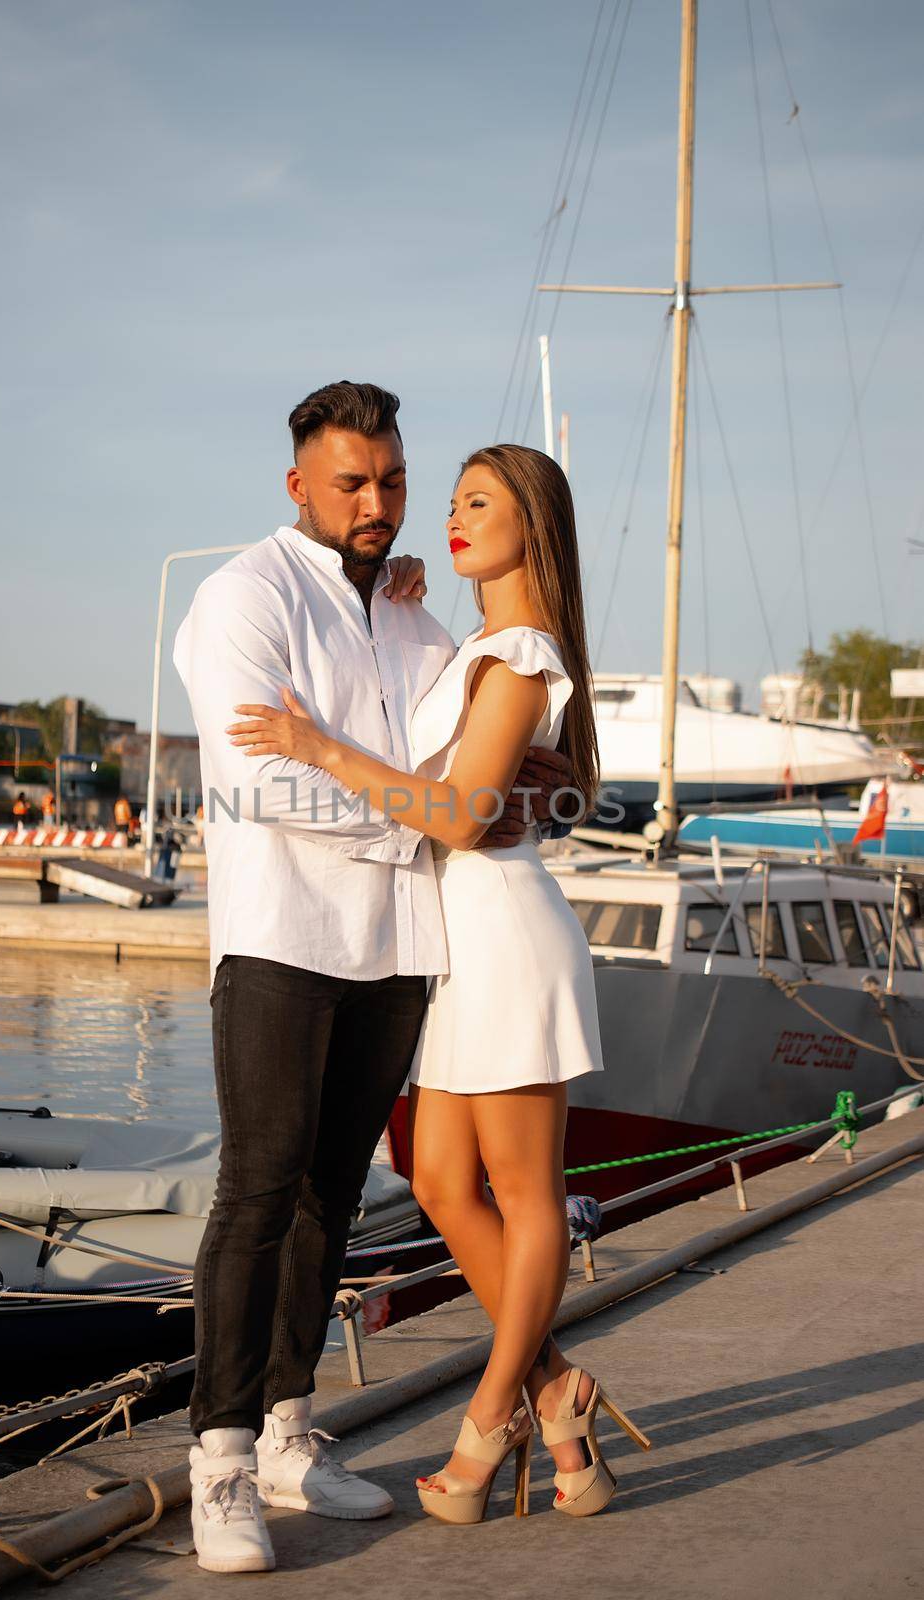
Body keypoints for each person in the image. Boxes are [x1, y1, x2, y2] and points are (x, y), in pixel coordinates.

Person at [173, 383, 574, 1574]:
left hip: (405, 948)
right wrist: (430, 826)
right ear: (297, 481)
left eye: (391, 480)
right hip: (284, 938)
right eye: (352, 482)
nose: (377, 503)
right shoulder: (241, 595)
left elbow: (498, 764)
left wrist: (525, 798)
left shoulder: (414, 617)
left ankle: (294, 1432)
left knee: (330, 1198)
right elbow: (256, 784)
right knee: (254, 1193)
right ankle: (222, 1462)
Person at [229, 442, 651, 1532]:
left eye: (480, 502)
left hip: (503, 933)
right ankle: (557, 1396)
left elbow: (459, 815)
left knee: (521, 1190)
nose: (453, 518)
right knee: (434, 1176)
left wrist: (318, 746)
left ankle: (488, 1419)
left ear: (534, 525)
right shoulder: (475, 643)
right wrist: (406, 606)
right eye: (451, 500)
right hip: (458, 938)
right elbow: (473, 789)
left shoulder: (519, 653)